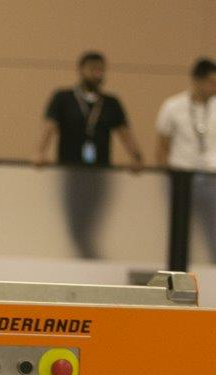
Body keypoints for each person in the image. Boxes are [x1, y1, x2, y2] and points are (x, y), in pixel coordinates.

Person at [34, 51, 146, 259]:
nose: (97, 74)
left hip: (99, 173)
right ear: (81, 70)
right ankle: (79, 258)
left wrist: (137, 157)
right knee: (72, 222)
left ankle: (89, 258)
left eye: (101, 69)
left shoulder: (111, 103)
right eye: (93, 69)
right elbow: (49, 126)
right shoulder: (63, 98)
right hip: (70, 171)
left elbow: (124, 132)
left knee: (94, 222)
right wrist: (40, 152)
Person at [155, 58, 216, 265]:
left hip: (212, 178)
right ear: (197, 81)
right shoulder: (172, 106)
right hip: (181, 177)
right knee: (179, 231)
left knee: (214, 232)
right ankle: (175, 270)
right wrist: (167, 173)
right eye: (212, 82)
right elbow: (162, 146)